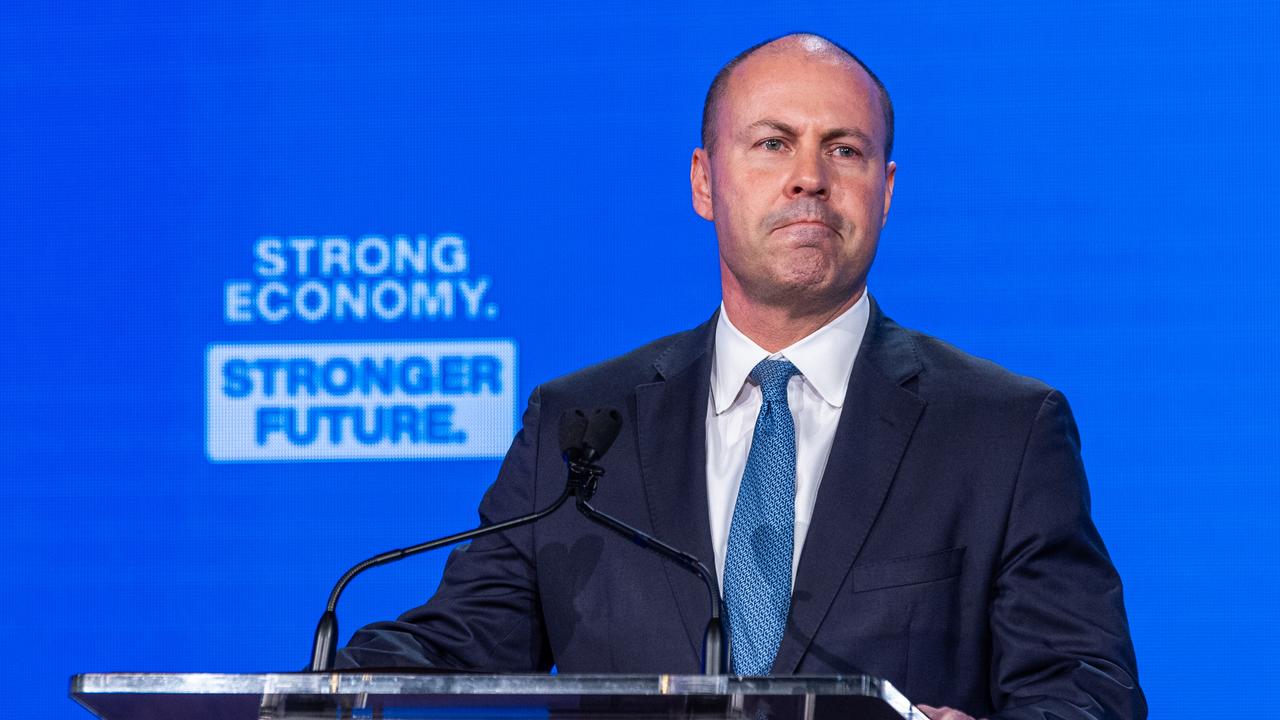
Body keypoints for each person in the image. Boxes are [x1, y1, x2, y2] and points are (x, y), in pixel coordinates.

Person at [337, 33, 1146, 720]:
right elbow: (462, 641)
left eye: (845, 149)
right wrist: (329, 690)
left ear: (886, 191)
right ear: (703, 182)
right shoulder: (583, 424)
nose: (809, 178)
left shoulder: (1001, 429)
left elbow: (1085, 687)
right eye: (772, 143)